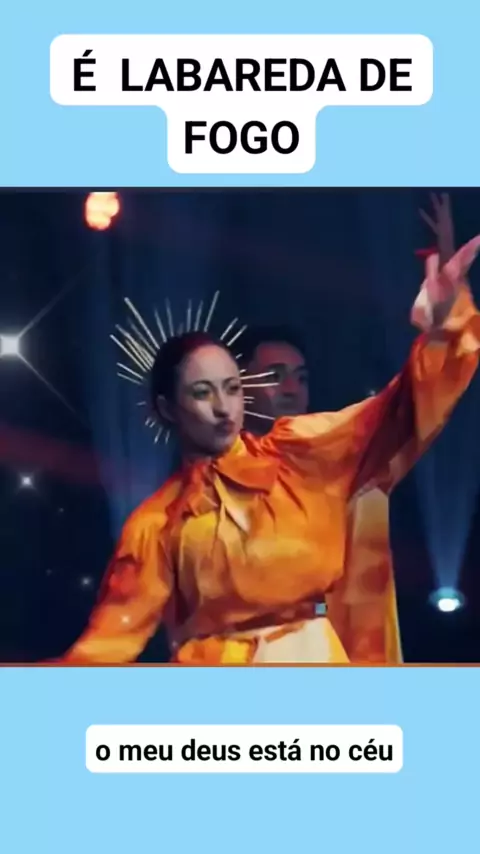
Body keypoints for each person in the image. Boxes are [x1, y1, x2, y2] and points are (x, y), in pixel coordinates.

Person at [58, 233, 480, 665]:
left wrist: (445, 320)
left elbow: (400, 408)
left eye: (232, 389)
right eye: (202, 392)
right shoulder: (157, 524)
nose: (223, 408)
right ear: (168, 408)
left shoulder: (300, 455)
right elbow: (107, 644)